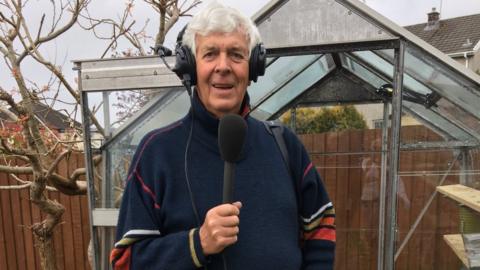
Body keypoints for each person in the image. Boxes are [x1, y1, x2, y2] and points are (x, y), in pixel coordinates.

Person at [110, 2, 335, 269]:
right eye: (210, 54)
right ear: (191, 67)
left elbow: (321, 225)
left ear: (253, 66)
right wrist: (197, 243)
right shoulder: (156, 153)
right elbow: (124, 262)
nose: (223, 66)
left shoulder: (284, 144)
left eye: (236, 55)